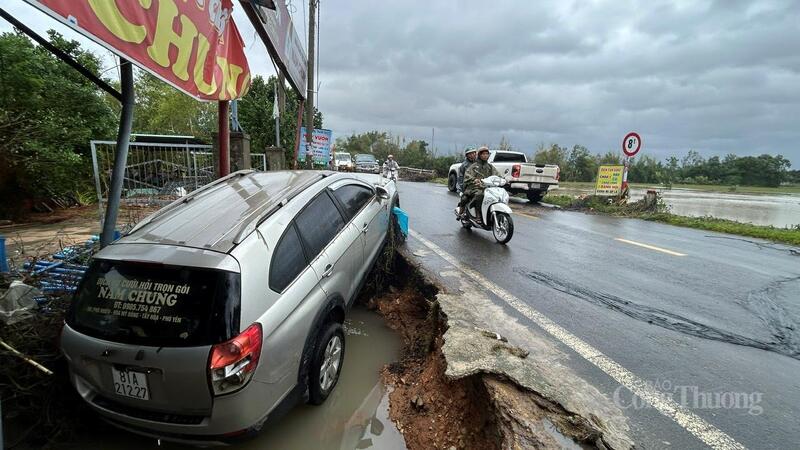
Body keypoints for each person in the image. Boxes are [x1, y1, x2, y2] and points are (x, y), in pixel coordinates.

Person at [462, 146, 499, 223]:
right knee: (480, 194)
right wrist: (474, 180)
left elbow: (497, 175)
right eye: (483, 154)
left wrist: (505, 180)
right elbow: (467, 175)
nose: (485, 155)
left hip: (487, 187)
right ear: (479, 155)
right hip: (474, 187)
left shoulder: (490, 166)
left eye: (487, 154)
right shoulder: (474, 166)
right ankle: (478, 214)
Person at [454, 146, 478, 215]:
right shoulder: (464, 165)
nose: (473, 155)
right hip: (468, 186)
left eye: (474, 153)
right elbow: (460, 178)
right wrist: (462, 188)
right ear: (467, 155)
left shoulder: (479, 163)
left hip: (479, 184)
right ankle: (461, 212)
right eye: (470, 153)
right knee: (464, 198)